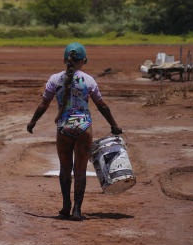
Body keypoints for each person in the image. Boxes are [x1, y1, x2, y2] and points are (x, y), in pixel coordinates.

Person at [27, 42, 122, 221]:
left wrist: (33, 122)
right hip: (84, 128)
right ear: (84, 60)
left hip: (64, 129)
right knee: (80, 170)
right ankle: (77, 210)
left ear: (64, 60)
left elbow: (43, 104)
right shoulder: (88, 80)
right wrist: (114, 125)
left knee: (65, 169)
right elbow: (101, 105)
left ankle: (65, 205)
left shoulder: (54, 79)